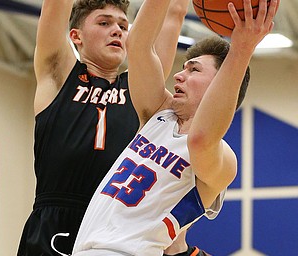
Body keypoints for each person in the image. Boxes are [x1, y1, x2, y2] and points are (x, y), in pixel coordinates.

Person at [71, 0, 279, 255]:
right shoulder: (159, 114)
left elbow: (201, 138)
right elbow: (137, 46)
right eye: (183, 69)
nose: (179, 76)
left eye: (194, 70)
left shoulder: (224, 159)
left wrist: (242, 49)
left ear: (219, 84)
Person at [17, 0, 202, 255]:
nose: (117, 30)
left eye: (123, 26)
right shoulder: (58, 73)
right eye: (104, 23)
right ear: (76, 36)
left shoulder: (141, 91)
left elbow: (174, 12)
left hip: (114, 227)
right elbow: (54, 6)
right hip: (54, 222)